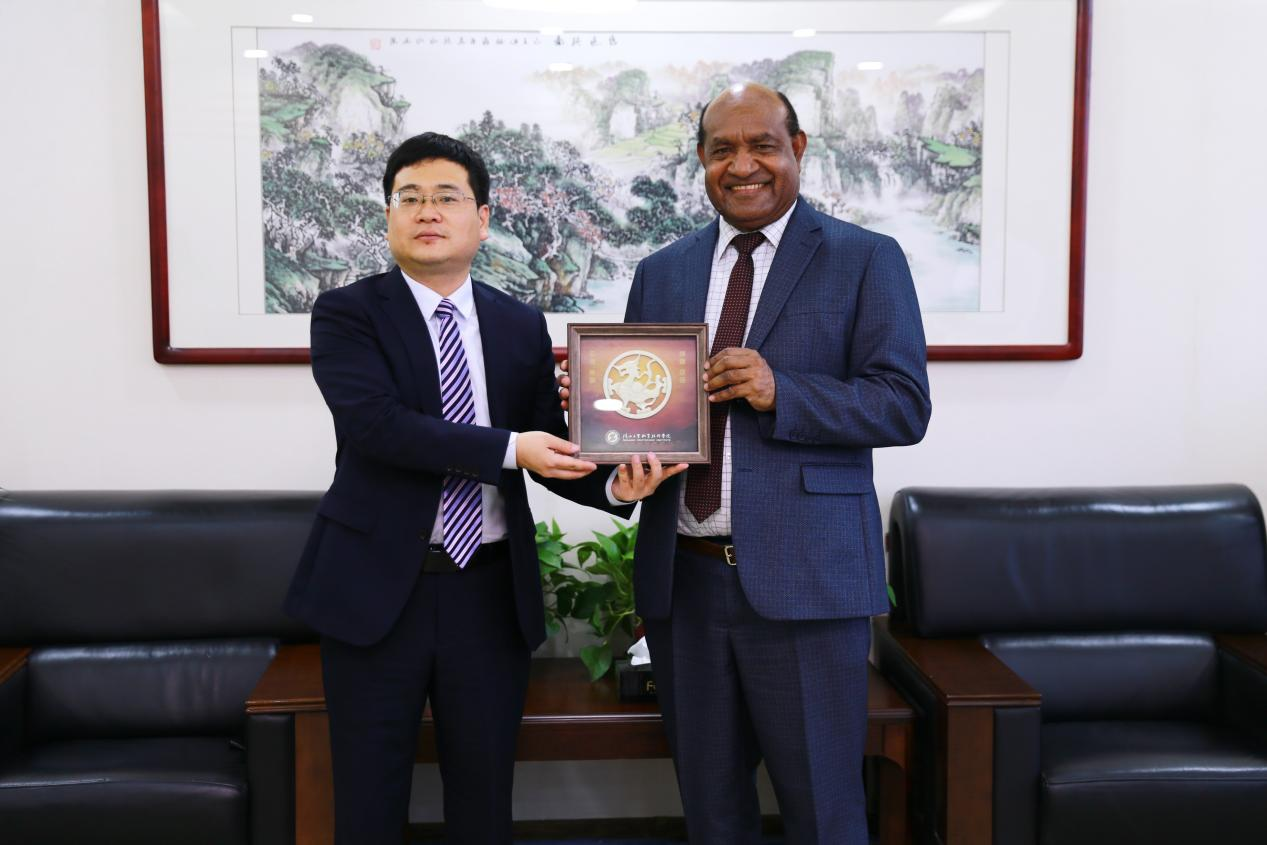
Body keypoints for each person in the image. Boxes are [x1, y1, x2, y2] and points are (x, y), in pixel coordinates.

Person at [561, 83, 931, 844]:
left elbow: (902, 405)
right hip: (685, 582)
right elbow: (643, 410)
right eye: (722, 149)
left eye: (762, 145)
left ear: (798, 149)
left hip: (806, 582)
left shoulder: (865, 258)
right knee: (712, 812)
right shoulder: (661, 270)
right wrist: (611, 438)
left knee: (824, 812)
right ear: (701, 159)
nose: (743, 165)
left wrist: (780, 390)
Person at [283, 132, 678, 844]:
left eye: (447, 197)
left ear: (483, 218)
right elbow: (378, 426)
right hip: (377, 590)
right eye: (409, 198)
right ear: (389, 215)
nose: (427, 211)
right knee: (368, 799)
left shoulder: (517, 323)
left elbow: (548, 442)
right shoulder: (347, 313)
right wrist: (508, 448)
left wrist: (618, 486)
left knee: (484, 794)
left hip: (488, 592)